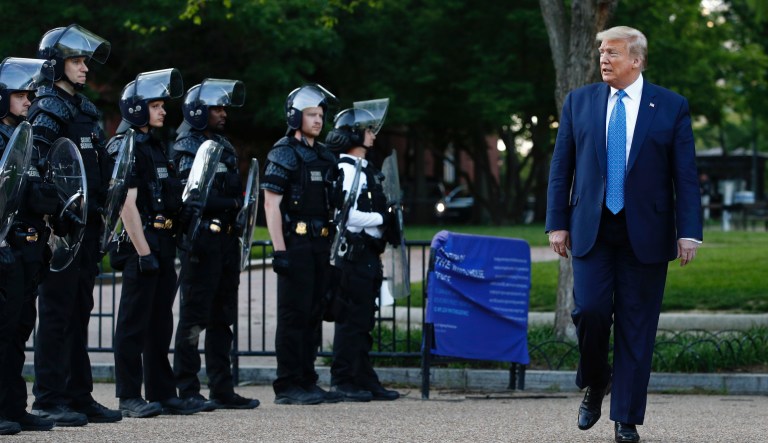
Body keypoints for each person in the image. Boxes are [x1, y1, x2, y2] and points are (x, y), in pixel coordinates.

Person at [545, 26, 702, 443]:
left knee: (637, 326)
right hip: (591, 229)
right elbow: (562, 168)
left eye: (612, 52)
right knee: (590, 311)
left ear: (636, 60)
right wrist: (556, 222)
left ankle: (626, 419)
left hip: (647, 232)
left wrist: (689, 232)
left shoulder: (671, 106)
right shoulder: (579, 102)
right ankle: (597, 381)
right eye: (601, 51)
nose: (603, 58)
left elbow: (684, 176)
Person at [28, 24, 122, 427]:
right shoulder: (46, 108)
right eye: (77, 61)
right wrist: (55, 216)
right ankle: (49, 397)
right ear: (55, 64)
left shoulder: (84, 109)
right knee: (56, 313)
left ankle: (79, 395)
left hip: (89, 226)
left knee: (80, 311)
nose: (84, 68)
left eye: (85, 61)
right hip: (60, 231)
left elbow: (99, 166)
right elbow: (34, 167)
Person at [108, 69, 204, 418]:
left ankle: (162, 392)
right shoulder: (127, 145)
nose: (163, 111)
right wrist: (144, 251)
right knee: (133, 323)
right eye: (156, 105)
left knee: (160, 323)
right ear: (136, 108)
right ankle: (129, 396)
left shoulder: (155, 146)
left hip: (162, 241)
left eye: (163, 105)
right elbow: (126, 202)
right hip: (142, 243)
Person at [172, 79, 259, 411]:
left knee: (223, 317)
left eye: (224, 108)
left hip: (226, 240)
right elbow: (191, 196)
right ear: (198, 111)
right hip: (201, 240)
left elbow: (236, 193)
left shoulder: (224, 145)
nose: (224, 114)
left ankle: (223, 388)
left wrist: (236, 210)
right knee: (194, 317)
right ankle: (188, 388)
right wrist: (227, 204)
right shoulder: (186, 146)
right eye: (217, 108)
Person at [261, 84, 343, 405]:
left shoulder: (324, 155)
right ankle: (287, 384)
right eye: (311, 114)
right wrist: (279, 250)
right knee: (293, 316)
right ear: (296, 116)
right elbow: (271, 205)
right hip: (295, 243)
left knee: (313, 314)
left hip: (320, 244)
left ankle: (308, 380)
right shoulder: (283, 151)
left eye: (321, 115)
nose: (318, 120)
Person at [324, 105, 400, 402]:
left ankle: (363, 376)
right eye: (368, 130)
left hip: (369, 255)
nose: (372, 135)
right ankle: (343, 378)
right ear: (353, 134)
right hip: (353, 256)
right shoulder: (345, 169)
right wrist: (383, 219)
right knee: (351, 320)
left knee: (364, 320)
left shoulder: (365, 169)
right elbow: (346, 216)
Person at [0, 57, 56, 435]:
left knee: (19, 330)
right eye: (20, 94)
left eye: (29, 93)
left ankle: (15, 408)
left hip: (29, 247)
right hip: (6, 244)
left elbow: (39, 190)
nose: (28, 100)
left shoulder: (28, 138)